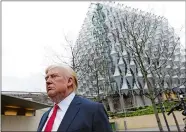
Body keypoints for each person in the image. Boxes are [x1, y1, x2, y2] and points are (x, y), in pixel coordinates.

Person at [37, 64, 112, 132]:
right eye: (46, 78)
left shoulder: (93, 110)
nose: (48, 81)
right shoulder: (45, 115)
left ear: (69, 81)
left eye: (54, 76)